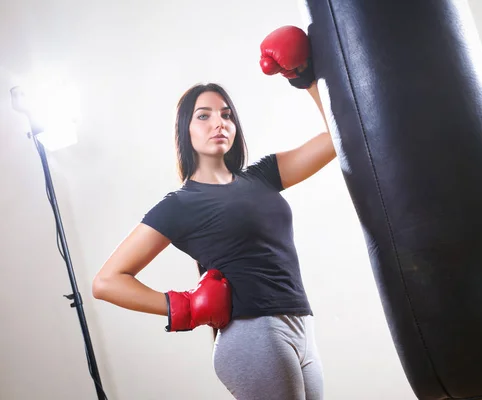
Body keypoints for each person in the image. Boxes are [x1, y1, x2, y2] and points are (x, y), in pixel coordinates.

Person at [92, 25, 335, 400]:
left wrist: (303, 78)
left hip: (302, 327)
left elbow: (340, 136)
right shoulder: (180, 204)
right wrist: (185, 307)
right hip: (254, 334)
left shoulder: (264, 175)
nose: (218, 122)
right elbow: (107, 281)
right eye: (203, 116)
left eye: (225, 114)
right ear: (184, 130)